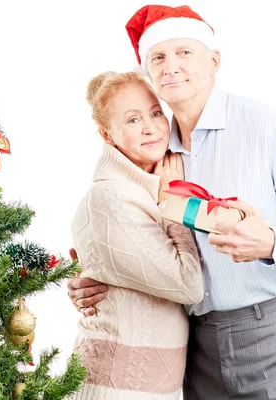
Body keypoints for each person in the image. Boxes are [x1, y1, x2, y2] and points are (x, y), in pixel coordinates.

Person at [67, 5, 276, 400]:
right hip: (198, 349)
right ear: (149, 73)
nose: (171, 67)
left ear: (214, 61)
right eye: (158, 57)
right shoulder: (154, 152)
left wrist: (273, 244)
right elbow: (127, 234)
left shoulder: (265, 129)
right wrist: (94, 277)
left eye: (184, 52)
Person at [69, 70, 205, 400]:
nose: (150, 127)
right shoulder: (112, 198)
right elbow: (189, 284)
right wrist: (174, 205)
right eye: (132, 120)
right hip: (116, 390)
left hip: (153, 387)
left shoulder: (146, 187)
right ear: (108, 135)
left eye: (156, 113)